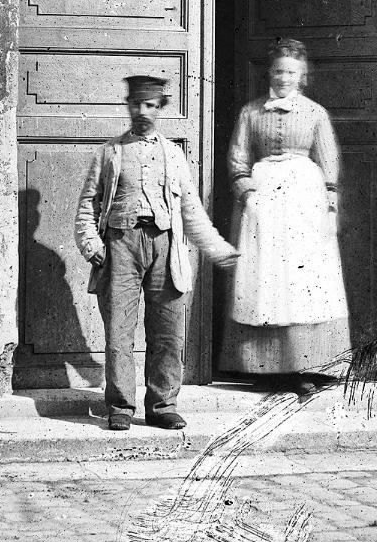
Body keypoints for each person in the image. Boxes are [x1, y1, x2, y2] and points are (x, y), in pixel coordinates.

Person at [74, 75, 238, 432]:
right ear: (128, 106)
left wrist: (218, 249)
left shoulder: (174, 155)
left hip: (166, 246)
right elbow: (87, 206)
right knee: (119, 330)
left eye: (149, 105)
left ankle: (163, 404)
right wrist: (92, 246)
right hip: (121, 246)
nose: (142, 111)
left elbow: (191, 212)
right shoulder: (109, 153)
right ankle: (120, 406)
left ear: (159, 108)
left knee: (167, 332)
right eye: (136, 104)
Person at [225, 38, 351, 394]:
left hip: (304, 204)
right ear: (270, 72)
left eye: (292, 72)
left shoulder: (314, 113)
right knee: (268, 279)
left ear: (302, 75)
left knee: (304, 283)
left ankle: (310, 366)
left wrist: (329, 201)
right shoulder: (251, 113)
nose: (284, 78)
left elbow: (328, 160)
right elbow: (238, 158)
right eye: (279, 71)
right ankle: (269, 369)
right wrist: (248, 191)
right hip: (264, 204)